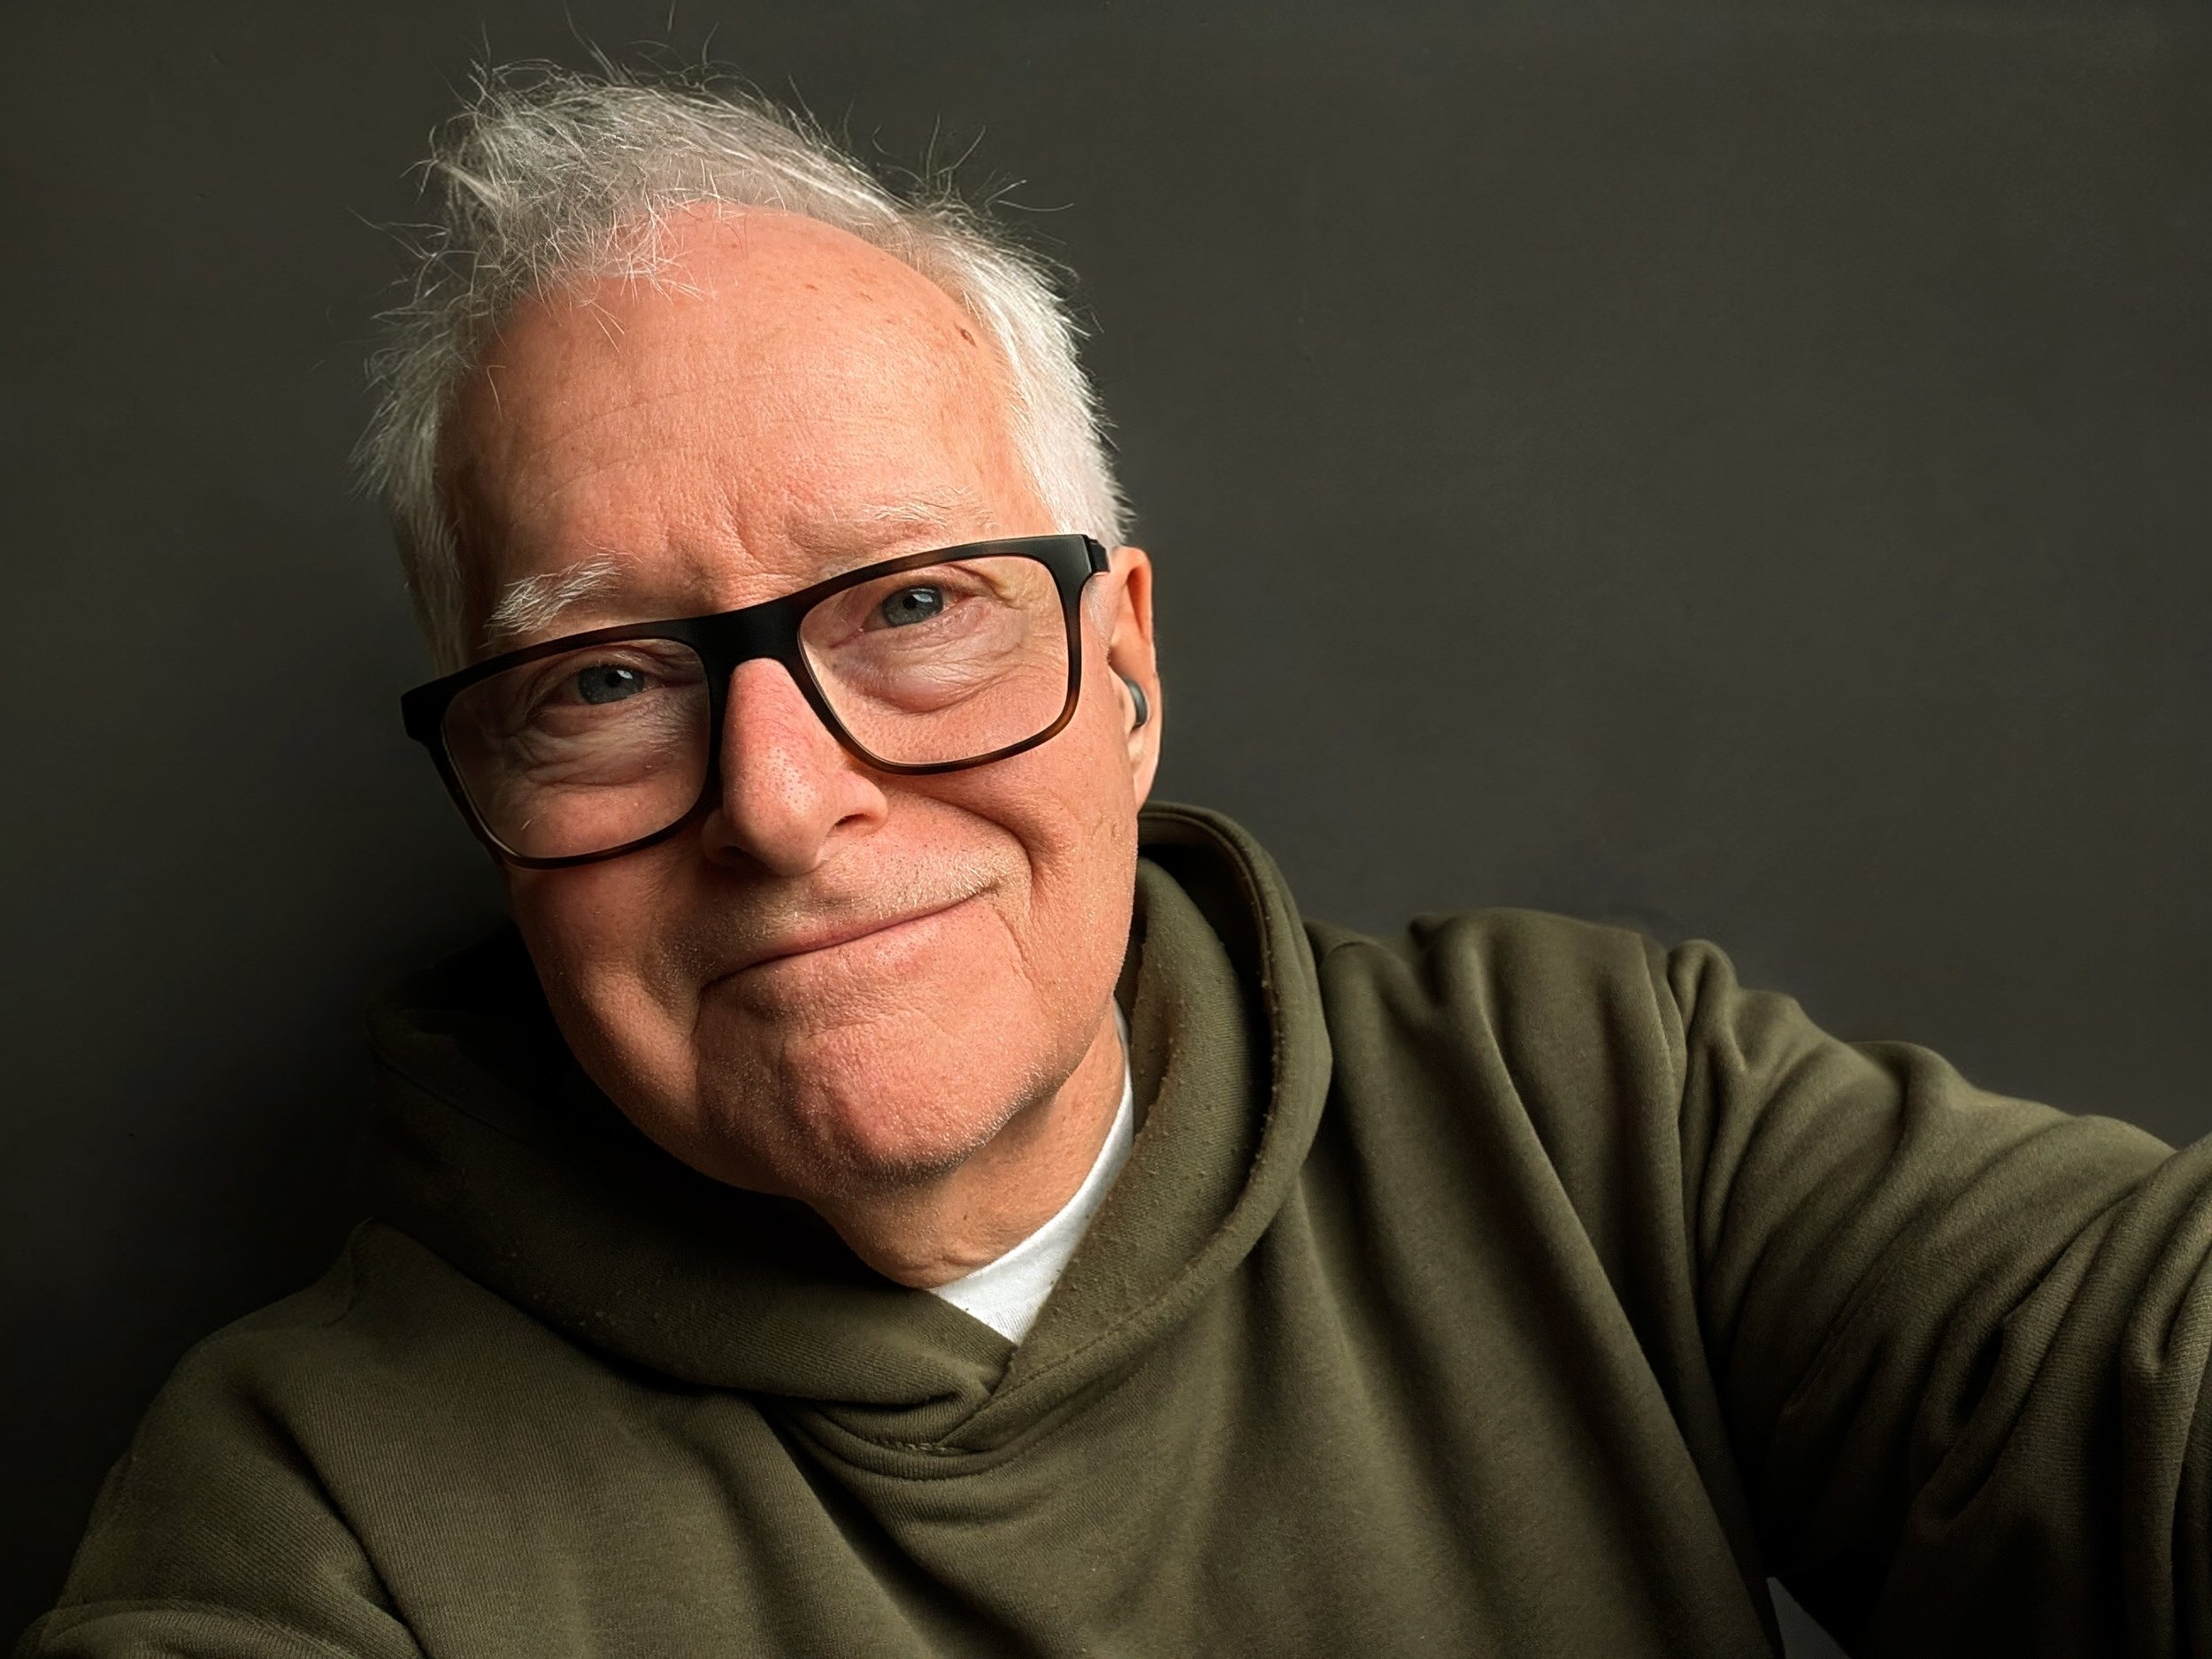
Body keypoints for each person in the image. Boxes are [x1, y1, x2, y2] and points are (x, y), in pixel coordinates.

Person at [20, 61, 2212, 1659]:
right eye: (602, 678)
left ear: (1124, 668)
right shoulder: (310, 1518)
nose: (782, 800)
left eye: (913, 603)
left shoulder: (1596, 1110)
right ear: (489, 789)